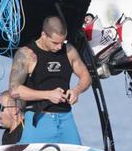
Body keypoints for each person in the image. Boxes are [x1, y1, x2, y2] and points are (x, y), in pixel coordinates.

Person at [9, 15, 91, 144]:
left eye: (62, 42)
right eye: (55, 43)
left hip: (65, 118)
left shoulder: (69, 50)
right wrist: (48, 95)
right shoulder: (27, 54)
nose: (59, 47)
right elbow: (14, 90)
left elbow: (86, 76)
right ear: (44, 35)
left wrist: (77, 90)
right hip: (38, 118)